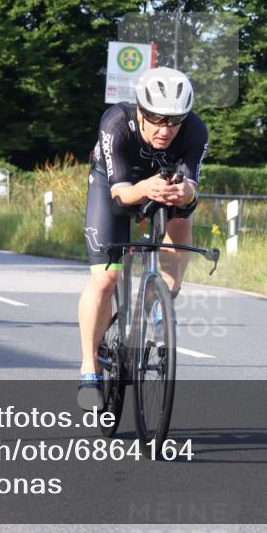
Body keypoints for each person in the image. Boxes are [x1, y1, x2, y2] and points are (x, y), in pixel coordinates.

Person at [77, 67, 209, 410]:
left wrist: (185, 194)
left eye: (174, 122)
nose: (166, 130)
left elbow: (193, 185)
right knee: (106, 278)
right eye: (157, 119)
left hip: (161, 184)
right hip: (114, 184)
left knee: (183, 217)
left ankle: (160, 298)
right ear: (141, 111)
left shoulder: (195, 130)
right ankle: (89, 366)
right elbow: (121, 197)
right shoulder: (117, 122)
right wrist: (143, 189)